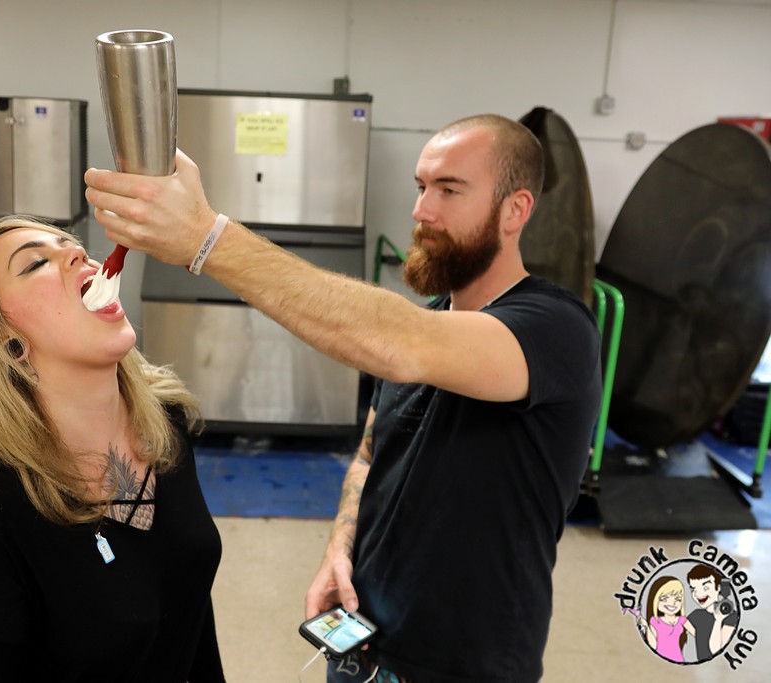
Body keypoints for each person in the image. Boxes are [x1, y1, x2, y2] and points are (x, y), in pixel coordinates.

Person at [85, 114, 602, 682]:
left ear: (515, 210)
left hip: (465, 666)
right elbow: (370, 454)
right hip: (362, 639)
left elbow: (402, 342)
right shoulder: (425, 327)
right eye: (421, 186)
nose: (421, 211)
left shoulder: (554, 330)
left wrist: (206, 237)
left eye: (449, 190)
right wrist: (340, 549)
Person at [0, 215, 225, 682]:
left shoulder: (164, 425)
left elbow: (189, 615)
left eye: (71, 245)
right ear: (5, 339)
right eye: (36, 263)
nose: (79, 253)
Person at [686, 564, 738, 661]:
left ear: (718, 587)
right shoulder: (696, 615)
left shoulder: (731, 616)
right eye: (693, 589)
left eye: (705, 588)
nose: (698, 594)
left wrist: (718, 620)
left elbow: (716, 651)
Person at [639, 576, 693, 662]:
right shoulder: (655, 621)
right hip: (659, 660)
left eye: (678, 599)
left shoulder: (682, 620)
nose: (672, 603)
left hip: (678, 659)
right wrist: (645, 626)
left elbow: (698, 635)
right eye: (664, 599)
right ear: (655, 600)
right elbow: (653, 645)